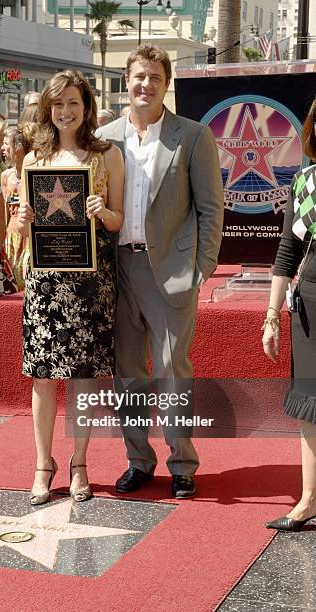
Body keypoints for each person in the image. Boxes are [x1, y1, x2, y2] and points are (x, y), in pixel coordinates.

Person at [97, 44, 224, 499]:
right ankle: (139, 461)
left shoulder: (192, 136)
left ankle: (182, 463)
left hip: (170, 271)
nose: (144, 84)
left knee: (172, 369)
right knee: (127, 372)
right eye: (137, 76)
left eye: (153, 76)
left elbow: (212, 209)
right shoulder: (105, 137)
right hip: (116, 271)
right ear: (125, 82)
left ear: (165, 83)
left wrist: (202, 268)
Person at [17, 70, 124, 504]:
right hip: (45, 284)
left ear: (87, 107)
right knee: (42, 379)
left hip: (90, 283)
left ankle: (80, 462)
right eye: (58, 104)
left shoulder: (108, 155)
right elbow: (25, 231)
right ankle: (44, 463)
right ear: (48, 108)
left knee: (83, 378)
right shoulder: (33, 161)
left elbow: (120, 222)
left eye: (74, 103)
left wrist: (102, 211)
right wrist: (22, 221)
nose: (65, 112)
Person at [263, 97, 316, 532]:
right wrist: (271, 315)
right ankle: (309, 499)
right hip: (310, 306)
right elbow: (287, 252)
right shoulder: (304, 181)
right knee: (310, 404)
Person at [1, 123, 36, 289]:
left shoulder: (35, 170)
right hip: (12, 232)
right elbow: (3, 212)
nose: (2, 148)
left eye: (6, 143)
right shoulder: (6, 176)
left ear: (19, 147)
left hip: (29, 231)